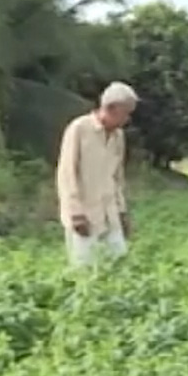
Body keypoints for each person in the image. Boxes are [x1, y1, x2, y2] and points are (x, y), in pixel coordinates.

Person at [56, 82, 138, 269]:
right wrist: (75, 213)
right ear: (110, 108)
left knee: (119, 263)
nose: (127, 119)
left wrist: (122, 211)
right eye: (125, 113)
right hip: (85, 214)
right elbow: (67, 173)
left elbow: (117, 177)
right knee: (84, 268)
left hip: (110, 212)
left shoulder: (118, 136)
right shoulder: (79, 128)